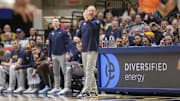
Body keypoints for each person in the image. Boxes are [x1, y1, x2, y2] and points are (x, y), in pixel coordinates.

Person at [74, 5, 101, 97]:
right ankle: (94, 89)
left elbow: (93, 27)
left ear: (95, 12)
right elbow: (79, 34)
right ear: (86, 11)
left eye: (93, 11)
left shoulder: (97, 22)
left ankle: (85, 90)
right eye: (89, 10)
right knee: (87, 70)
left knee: (89, 69)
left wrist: (87, 20)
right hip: (84, 49)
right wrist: (76, 38)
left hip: (93, 49)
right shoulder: (83, 23)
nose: (91, 12)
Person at [47, 18, 70, 94]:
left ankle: (67, 87)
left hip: (62, 54)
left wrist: (67, 53)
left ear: (59, 23)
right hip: (54, 54)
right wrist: (49, 56)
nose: (55, 23)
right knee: (55, 72)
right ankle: (57, 87)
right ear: (52, 24)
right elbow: (49, 45)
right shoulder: (51, 33)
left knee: (65, 71)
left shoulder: (64, 32)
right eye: (54, 21)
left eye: (56, 21)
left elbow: (68, 43)